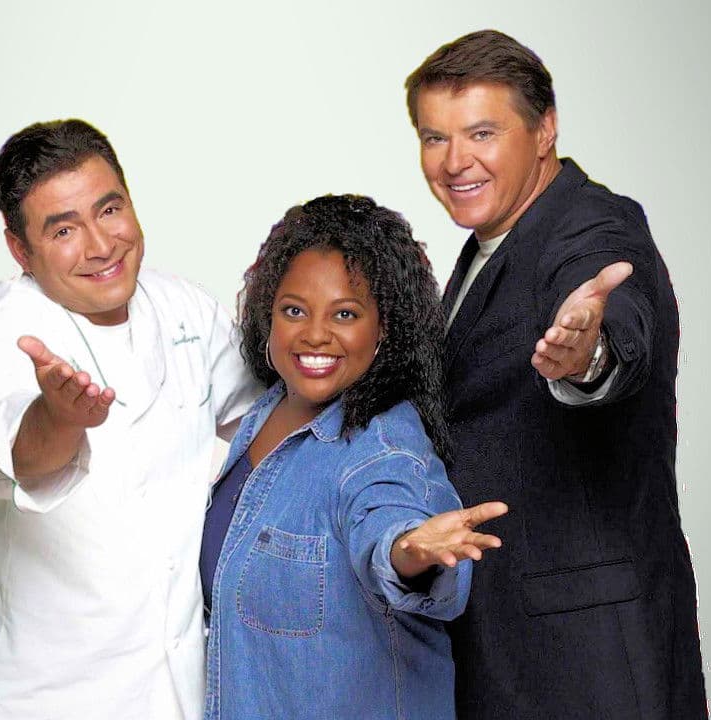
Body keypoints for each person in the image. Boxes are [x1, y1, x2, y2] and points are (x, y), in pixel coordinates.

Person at [403, 30, 706, 719]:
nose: (454, 161)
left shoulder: (588, 224)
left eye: (482, 133)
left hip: (585, 660)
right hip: (509, 646)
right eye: (434, 137)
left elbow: (616, 316)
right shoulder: (489, 245)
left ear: (545, 130)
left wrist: (587, 356)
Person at [0, 119, 262, 720]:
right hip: (42, 695)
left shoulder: (184, 307)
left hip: (176, 685)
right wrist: (58, 419)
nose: (100, 245)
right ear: (20, 249)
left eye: (109, 210)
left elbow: (264, 423)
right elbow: (5, 453)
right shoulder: (3, 331)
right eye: (64, 230)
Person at [201, 194, 508, 720]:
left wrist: (407, 552)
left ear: (385, 328)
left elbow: (389, 520)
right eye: (294, 310)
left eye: (345, 314)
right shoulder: (264, 411)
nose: (315, 334)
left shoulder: (383, 445)